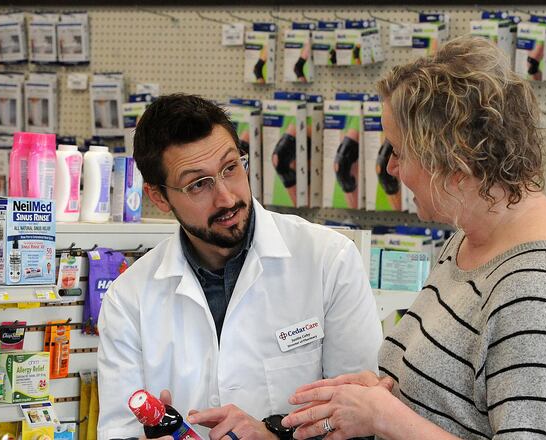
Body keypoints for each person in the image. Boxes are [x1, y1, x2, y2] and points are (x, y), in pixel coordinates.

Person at [281, 36, 546, 440]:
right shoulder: (474, 239)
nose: (393, 168)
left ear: (454, 163)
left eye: (400, 151)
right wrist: (387, 395)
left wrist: (386, 418)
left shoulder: (537, 292)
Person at [97, 94, 382, 440]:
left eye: (231, 168)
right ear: (158, 196)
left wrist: (276, 435)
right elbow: (117, 431)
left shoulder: (328, 260)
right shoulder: (128, 300)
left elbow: (366, 420)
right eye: (198, 184)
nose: (227, 198)